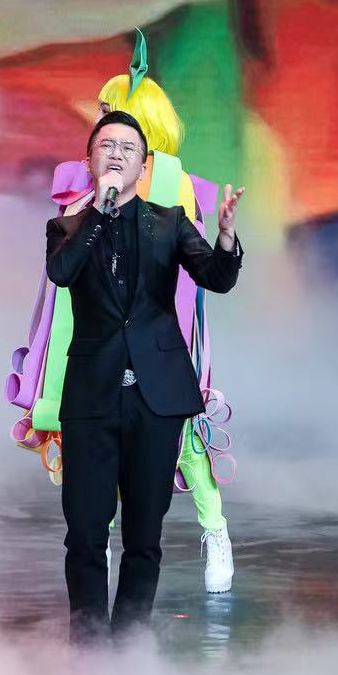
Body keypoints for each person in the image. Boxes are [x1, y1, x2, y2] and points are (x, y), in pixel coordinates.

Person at [46, 110, 243, 645]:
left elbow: (216, 277)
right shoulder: (66, 227)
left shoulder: (170, 221)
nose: (116, 154)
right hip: (91, 395)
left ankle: (130, 647)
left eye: (127, 148)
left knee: (144, 535)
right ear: (90, 158)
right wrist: (99, 209)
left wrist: (226, 236)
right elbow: (61, 273)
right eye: (106, 145)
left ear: (145, 164)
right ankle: (88, 649)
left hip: (157, 396)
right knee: (85, 531)